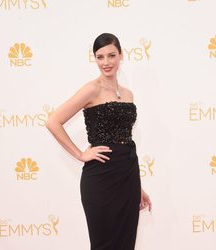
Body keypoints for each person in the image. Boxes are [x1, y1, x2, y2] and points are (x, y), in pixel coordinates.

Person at [46, 33, 152, 250]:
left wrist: (138, 186)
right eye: (100, 57)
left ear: (121, 56)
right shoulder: (92, 89)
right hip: (101, 178)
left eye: (111, 55)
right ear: (94, 59)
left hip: (128, 177)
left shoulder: (128, 94)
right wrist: (80, 154)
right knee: (104, 244)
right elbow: (53, 121)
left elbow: (127, 141)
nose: (106, 62)